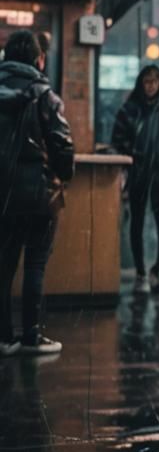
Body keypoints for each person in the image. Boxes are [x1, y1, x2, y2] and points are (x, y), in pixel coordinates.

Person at [0, 30, 75, 356]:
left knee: (2, 266)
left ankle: (3, 338)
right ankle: (31, 335)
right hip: (37, 194)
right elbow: (62, 144)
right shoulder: (45, 96)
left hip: (1, 194)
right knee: (35, 265)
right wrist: (63, 174)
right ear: (37, 59)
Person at [111, 65, 159, 294]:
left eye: (155, 81)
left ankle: (157, 271)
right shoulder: (130, 109)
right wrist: (130, 157)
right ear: (141, 83)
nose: (151, 86)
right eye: (147, 81)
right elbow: (118, 138)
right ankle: (140, 272)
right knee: (136, 223)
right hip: (137, 172)